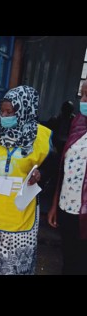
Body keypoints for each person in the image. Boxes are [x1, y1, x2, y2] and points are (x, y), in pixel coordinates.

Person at [0, 85, 52, 275]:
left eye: (10, 112)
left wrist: (40, 176)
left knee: (12, 268)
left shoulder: (42, 137)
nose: (4, 116)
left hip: (20, 215)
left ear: (25, 110)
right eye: (3, 111)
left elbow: (50, 172)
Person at [47, 80, 87, 274]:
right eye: (82, 95)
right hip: (67, 209)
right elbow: (65, 169)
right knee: (69, 261)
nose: (83, 100)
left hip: (85, 214)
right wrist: (55, 204)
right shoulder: (78, 123)